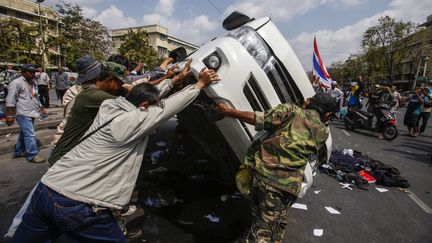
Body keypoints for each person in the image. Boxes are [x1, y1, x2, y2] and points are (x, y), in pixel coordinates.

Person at [12, 67, 219, 243]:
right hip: (79, 204)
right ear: (144, 107)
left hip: (46, 190)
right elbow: (164, 110)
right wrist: (198, 85)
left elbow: (144, 97)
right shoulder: (128, 123)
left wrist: (173, 81)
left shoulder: (110, 106)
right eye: (148, 109)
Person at [216, 92, 339, 243]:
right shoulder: (323, 132)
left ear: (310, 102)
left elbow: (258, 119)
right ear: (327, 114)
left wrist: (229, 111)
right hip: (282, 188)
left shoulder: (290, 111)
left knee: (262, 222)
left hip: (258, 176)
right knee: (265, 232)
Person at [5, 64, 46, 163]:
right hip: (22, 112)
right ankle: (32, 155)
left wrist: (41, 108)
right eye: (30, 72)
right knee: (30, 135)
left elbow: (36, 97)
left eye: (34, 72)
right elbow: (10, 100)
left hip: (31, 111)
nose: (32, 74)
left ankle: (18, 151)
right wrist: (9, 116)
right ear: (23, 72)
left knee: (25, 133)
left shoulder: (33, 83)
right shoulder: (16, 83)